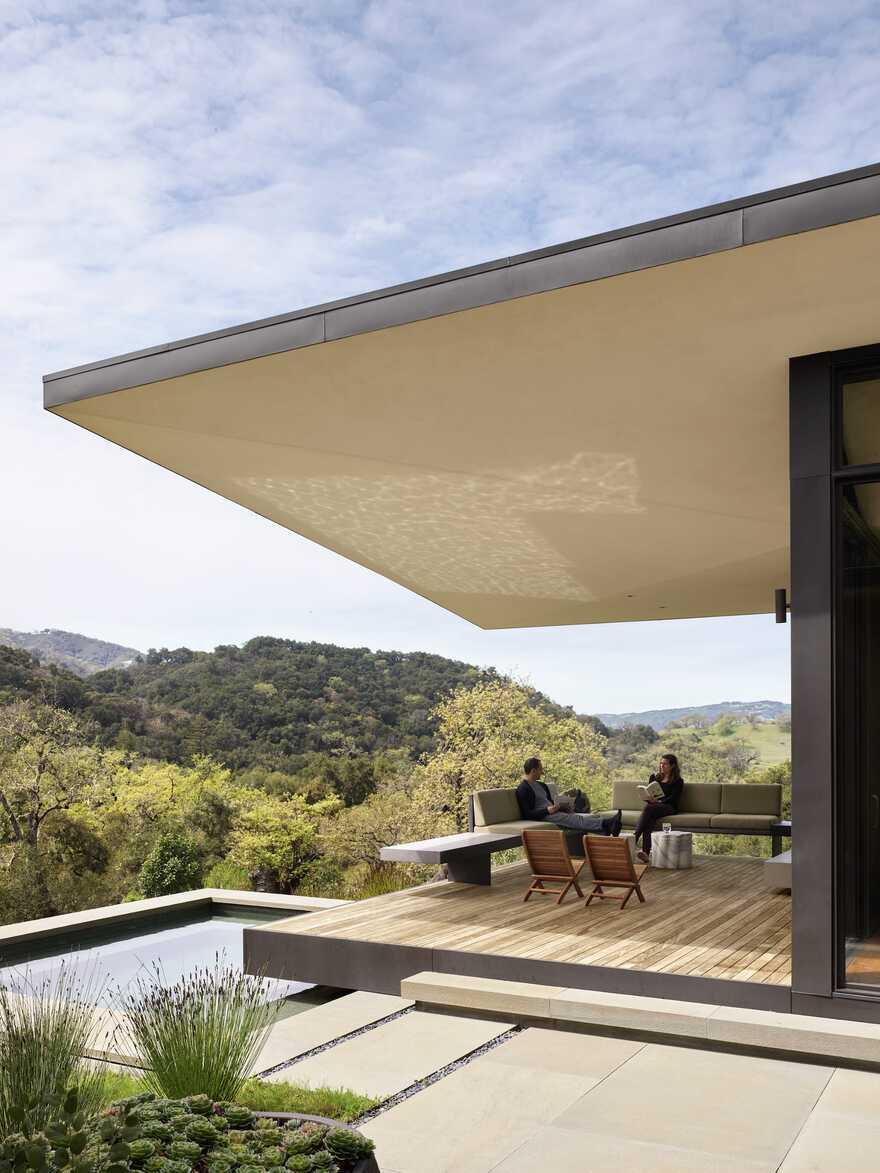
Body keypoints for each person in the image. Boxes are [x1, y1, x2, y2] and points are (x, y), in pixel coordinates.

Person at [515, 757, 622, 837]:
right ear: (533, 770)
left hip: (552, 813)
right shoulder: (523, 789)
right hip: (542, 816)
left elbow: (550, 802)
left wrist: (560, 806)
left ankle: (608, 829)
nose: (542, 772)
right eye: (540, 769)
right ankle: (607, 824)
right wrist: (547, 810)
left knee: (576, 816)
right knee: (572, 818)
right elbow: (527, 814)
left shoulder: (542, 785)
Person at [634, 752, 684, 862]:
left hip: (669, 807)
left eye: (665, 764)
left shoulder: (678, 781)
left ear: (672, 766)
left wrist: (659, 801)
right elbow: (648, 793)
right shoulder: (654, 777)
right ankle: (645, 853)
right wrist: (648, 798)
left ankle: (635, 836)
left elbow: (673, 798)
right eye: (661, 763)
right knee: (649, 820)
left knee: (648, 809)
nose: (662, 766)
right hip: (654, 807)